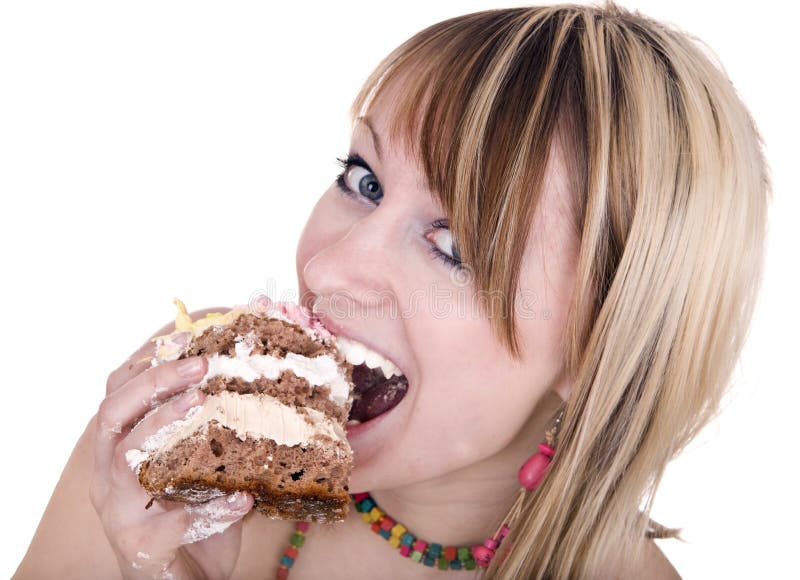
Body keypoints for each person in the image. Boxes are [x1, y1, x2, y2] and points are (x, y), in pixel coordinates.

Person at [14, 2, 769, 579]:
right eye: (364, 180)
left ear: (599, 345)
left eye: (456, 247)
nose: (331, 268)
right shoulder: (172, 429)